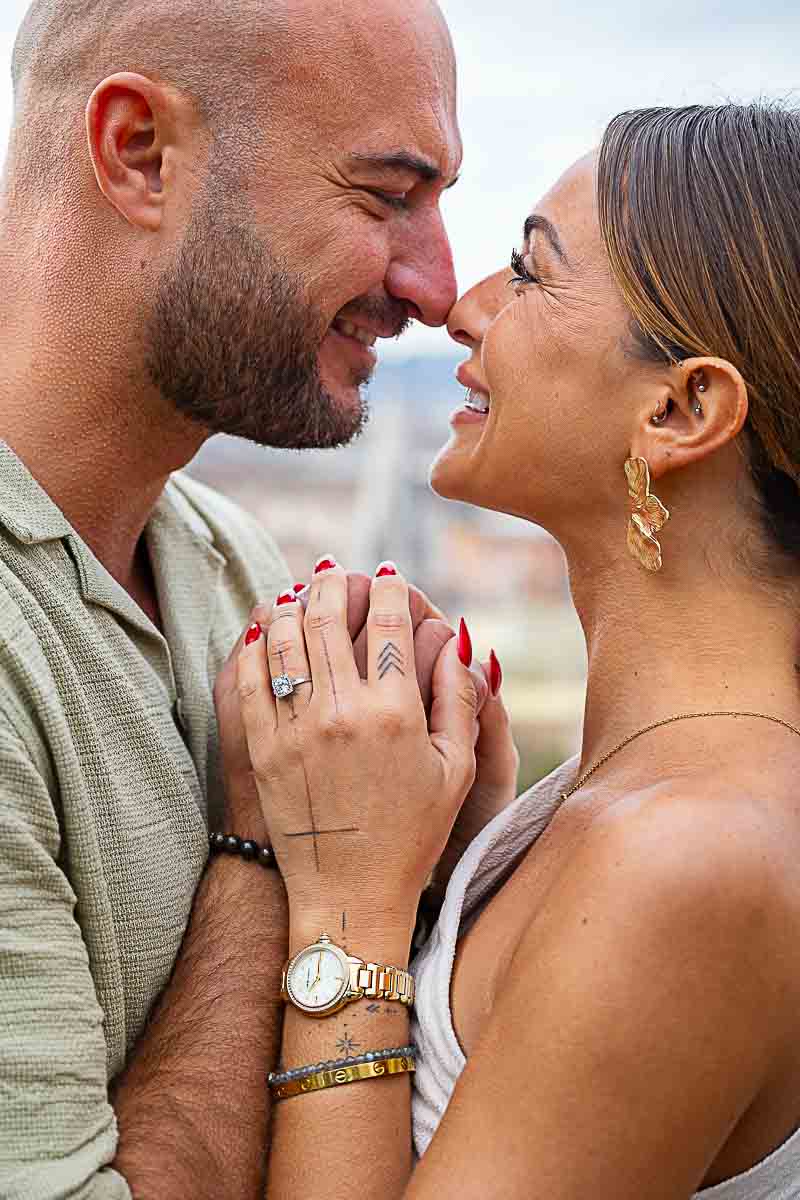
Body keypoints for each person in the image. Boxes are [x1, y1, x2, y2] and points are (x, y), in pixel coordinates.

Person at [233, 102, 800, 1199]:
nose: (459, 307)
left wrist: (347, 908)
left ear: (680, 411)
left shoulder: (690, 857)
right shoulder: (636, 800)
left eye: (528, 274)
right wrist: (461, 859)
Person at [0, 0, 463, 1196]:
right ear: (137, 152)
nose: (436, 284)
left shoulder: (245, 571)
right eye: (383, 196)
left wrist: (455, 844)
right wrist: (272, 850)